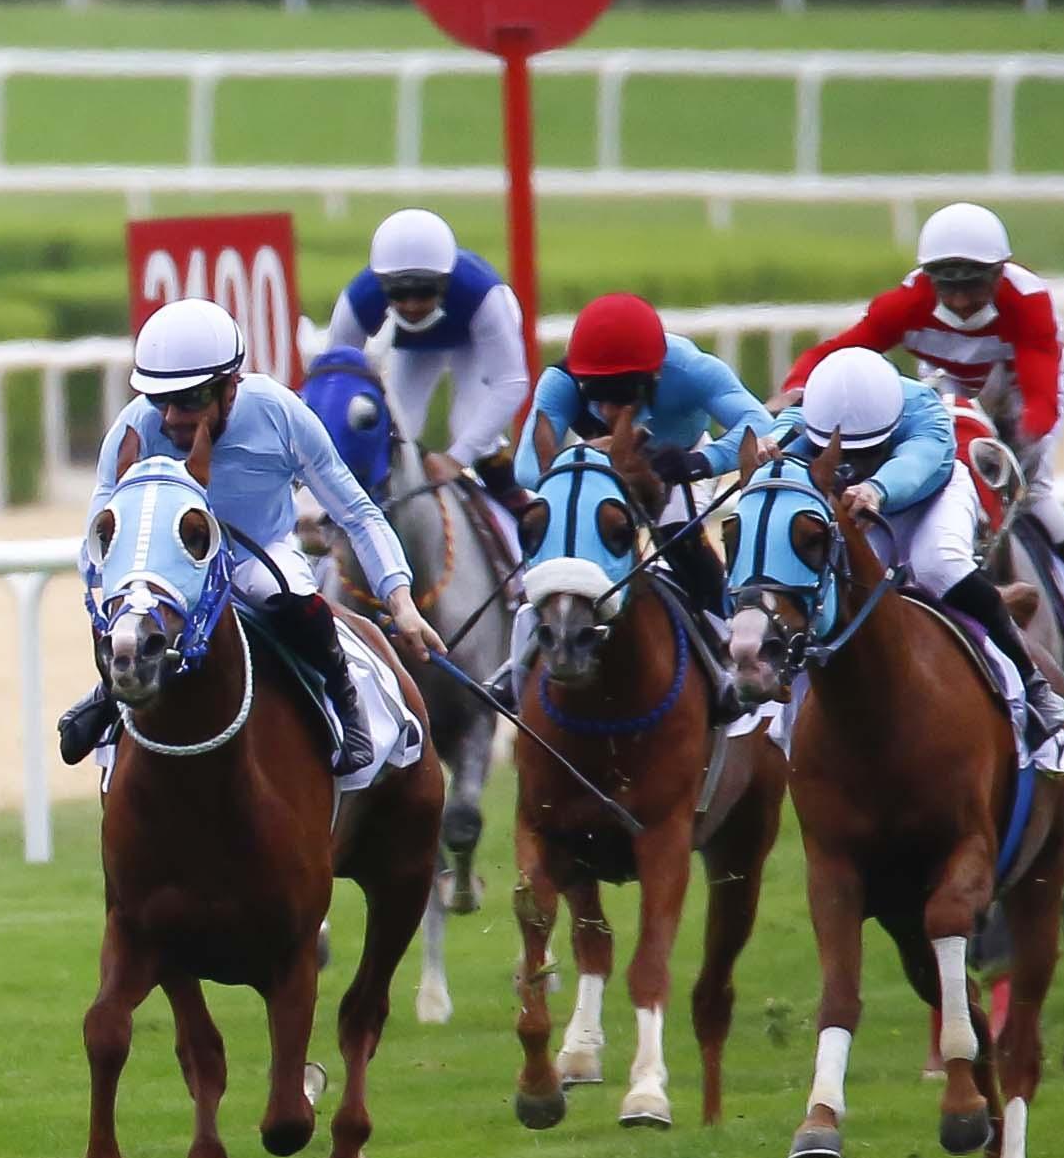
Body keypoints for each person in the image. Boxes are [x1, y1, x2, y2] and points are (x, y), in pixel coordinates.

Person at [57, 298, 437, 773]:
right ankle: (110, 694)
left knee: (286, 595)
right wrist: (114, 586)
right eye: (160, 400)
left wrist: (399, 600)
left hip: (258, 555)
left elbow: (357, 511)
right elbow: (98, 537)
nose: (171, 417)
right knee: (134, 613)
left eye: (191, 399)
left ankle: (344, 697)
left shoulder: (279, 412)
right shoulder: (134, 426)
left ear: (230, 388)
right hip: (176, 569)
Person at [786, 202, 1064, 674]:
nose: (963, 300)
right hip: (948, 381)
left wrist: (1026, 432)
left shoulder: (1026, 301)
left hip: (1019, 387)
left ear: (998, 274)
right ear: (930, 279)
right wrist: (797, 385)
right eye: (949, 285)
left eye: (974, 283)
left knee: (1035, 495)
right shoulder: (905, 303)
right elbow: (841, 351)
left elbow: (1040, 387)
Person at [795, 346, 1064, 756]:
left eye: (868, 453)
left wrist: (875, 487)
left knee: (937, 564)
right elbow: (769, 437)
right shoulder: (811, 414)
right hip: (863, 506)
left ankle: (1032, 685)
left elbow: (915, 466)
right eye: (845, 455)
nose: (856, 463)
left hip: (932, 495)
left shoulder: (925, 412)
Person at [509, 292, 771, 630]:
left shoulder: (690, 368)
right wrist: (592, 458)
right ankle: (519, 662)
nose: (606, 409)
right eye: (595, 393)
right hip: (597, 475)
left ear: (655, 378)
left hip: (675, 473)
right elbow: (527, 467)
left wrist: (698, 462)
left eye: (620, 393)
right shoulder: (561, 380)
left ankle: (725, 638)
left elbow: (760, 424)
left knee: (679, 540)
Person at [320, 207, 533, 516]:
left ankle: (515, 506)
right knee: (401, 424)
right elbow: (334, 383)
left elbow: (512, 383)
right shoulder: (359, 299)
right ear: (382, 285)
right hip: (415, 347)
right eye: (399, 294)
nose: (411, 306)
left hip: (473, 339)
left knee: (466, 421)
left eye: (424, 292)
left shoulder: (482, 294)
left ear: (445, 282)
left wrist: (457, 459)